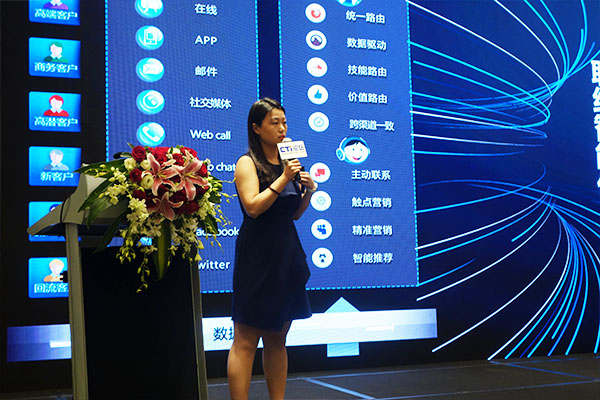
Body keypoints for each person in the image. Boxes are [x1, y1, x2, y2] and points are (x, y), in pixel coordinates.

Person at [227, 98, 318, 400]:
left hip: (286, 255)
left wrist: (309, 192)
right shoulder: (247, 163)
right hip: (257, 254)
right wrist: (283, 179)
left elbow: (294, 214)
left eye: (284, 122)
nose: (282, 129)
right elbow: (253, 207)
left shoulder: (290, 162)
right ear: (256, 128)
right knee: (246, 339)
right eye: (274, 123)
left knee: (278, 337)